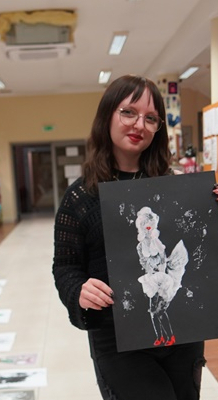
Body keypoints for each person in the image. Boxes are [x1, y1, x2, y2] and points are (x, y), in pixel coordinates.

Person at [52, 74, 206, 400]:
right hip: (118, 339)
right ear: (107, 116)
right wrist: (78, 291)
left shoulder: (178, 189)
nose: (139, 125)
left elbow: (199, 250)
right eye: (128, 112)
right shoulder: (81, 196)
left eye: (151, 118)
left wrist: (212, 210)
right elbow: (65, 268)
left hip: (182, 331)